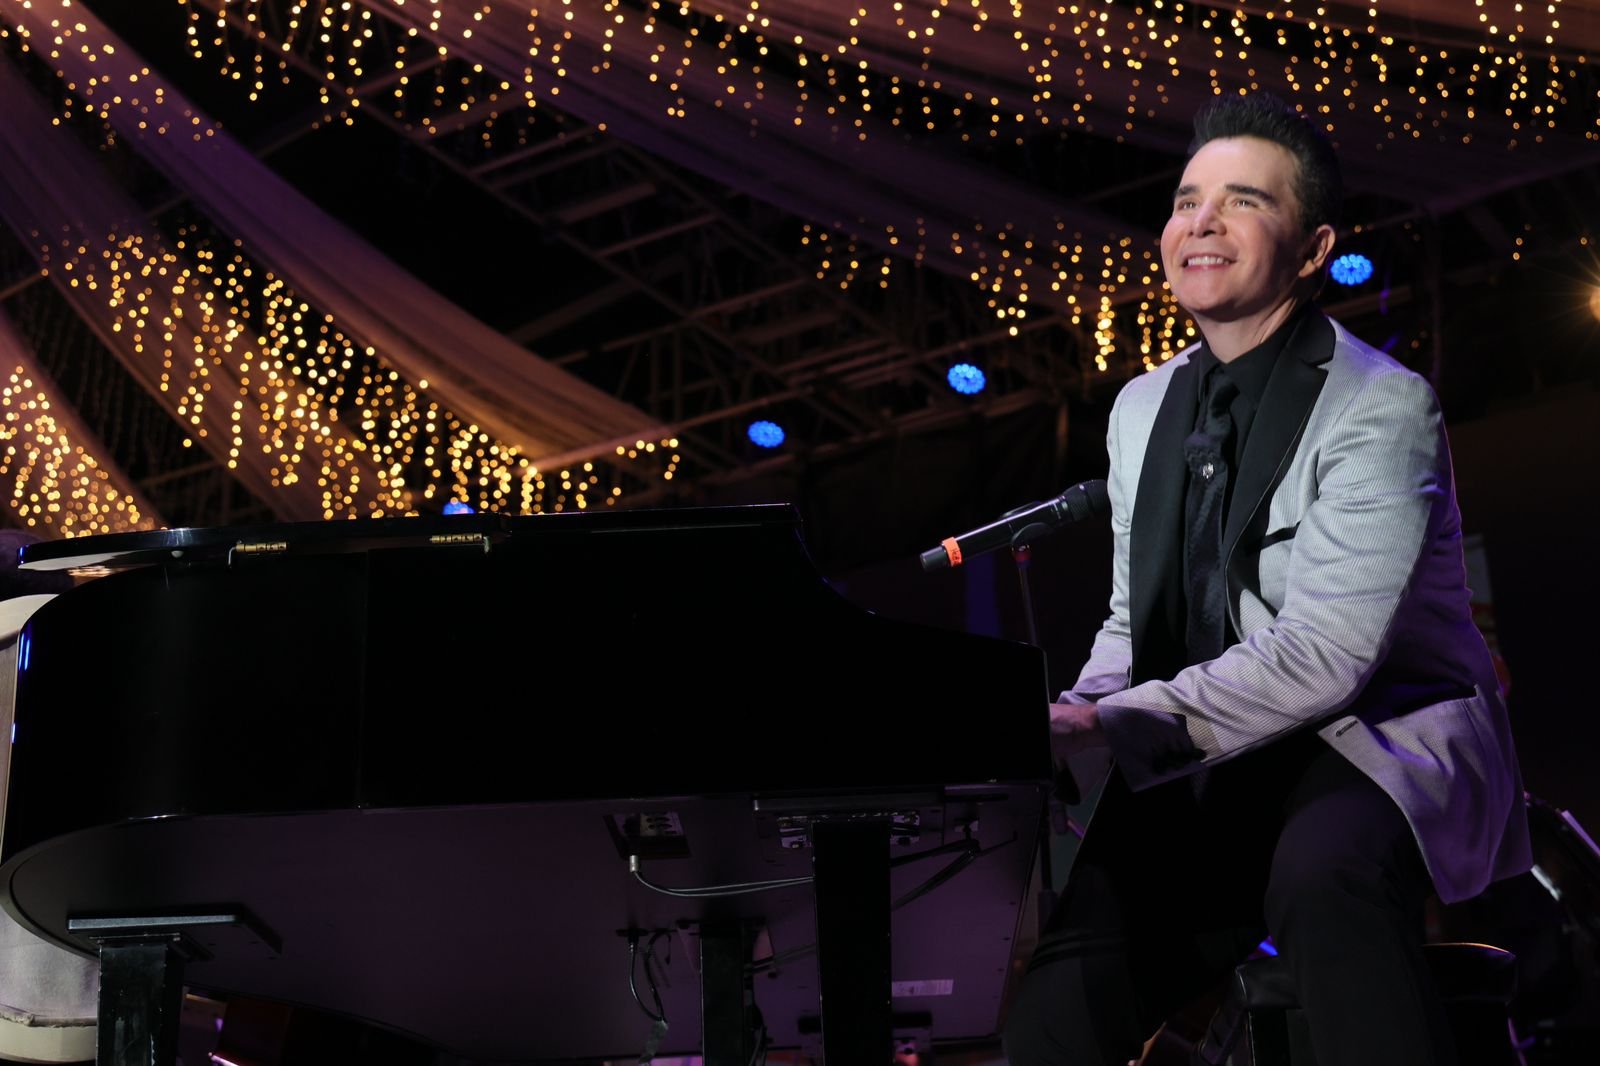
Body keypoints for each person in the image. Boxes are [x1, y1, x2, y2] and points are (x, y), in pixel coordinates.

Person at [1002, 93, 1531, 1066]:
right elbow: (1132, 622)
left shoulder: (1382, 405)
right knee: (1054, 1009)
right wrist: (1066, 725)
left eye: (1242, 201)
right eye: (1186, 200)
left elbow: (1328, 654)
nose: (1201, 222)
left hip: (1371, 738)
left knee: (1324, 875)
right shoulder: (1140, 406)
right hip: (1208, 752)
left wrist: (1108, 723)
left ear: (1313, 248)